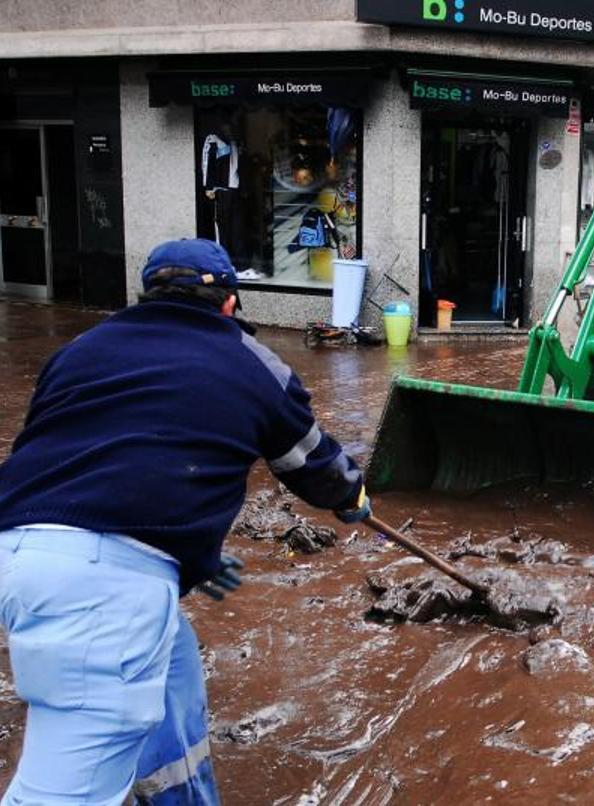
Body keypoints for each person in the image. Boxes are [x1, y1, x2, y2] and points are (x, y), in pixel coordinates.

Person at [0, 239, 372, 804]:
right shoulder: (250, 361)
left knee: (174, 677)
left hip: (22, 550)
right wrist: (350, 494)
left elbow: (76, 455)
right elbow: (309, 460)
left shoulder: (81, 349)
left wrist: (189, 555)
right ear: (229, 304)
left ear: (146, 294)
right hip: (103, 588)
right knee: (63, 791)